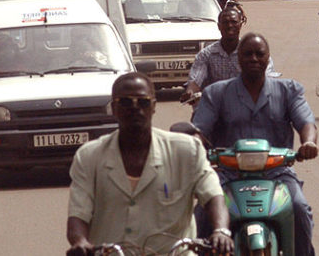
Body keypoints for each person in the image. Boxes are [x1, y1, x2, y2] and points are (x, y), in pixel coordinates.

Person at [66, 73, 233, 256]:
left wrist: (221, 231)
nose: (135, 108)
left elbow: (213, 196)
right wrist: (80, 241)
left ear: (153, 106)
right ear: (114, 108)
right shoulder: (90, 157)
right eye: (126, 102)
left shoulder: (187, 151)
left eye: (143, 102)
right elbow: (78, 214)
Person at [192, 33, 318, 256]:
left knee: (300, 209)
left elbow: (306, 122)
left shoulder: (289, 90)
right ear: (238, 59)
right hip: (226, 173)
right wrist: (195, 145)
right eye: (247, 54)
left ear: (268, 58)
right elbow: (199, 130)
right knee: (202, 215)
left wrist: (308, 142)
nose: (253, 59)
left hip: (277, 172)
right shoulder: (216, 93)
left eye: (259, 54)